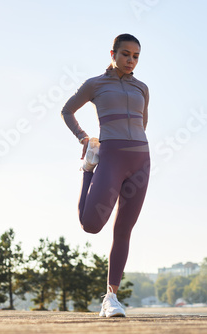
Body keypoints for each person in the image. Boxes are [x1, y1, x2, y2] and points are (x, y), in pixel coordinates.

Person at [61, 33, 150, 317]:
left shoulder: (142, 88)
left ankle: (111, 297)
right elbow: (67, 111)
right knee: (91, 225)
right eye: (125, 54)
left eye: (136, 56)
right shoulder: (95, 85)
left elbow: (142, 123)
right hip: (110, 156)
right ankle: (87, 170)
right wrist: (84, 138)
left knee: (124, 230)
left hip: (141, 160)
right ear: (112, 53)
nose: (130, 61)